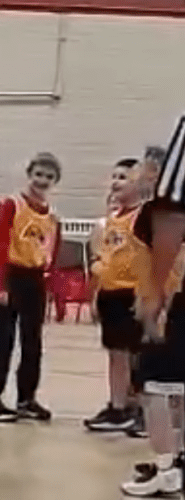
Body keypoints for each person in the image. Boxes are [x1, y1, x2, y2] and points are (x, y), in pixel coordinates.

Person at [121, 115, 185, 498]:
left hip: (174, 298)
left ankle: (165, 468)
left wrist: (155, 298)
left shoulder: (160, 211)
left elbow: (171, 227)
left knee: (154, 386)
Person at [0, 152, 62, 423]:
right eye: (38, 174)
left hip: (34, 278)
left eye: (49, 176)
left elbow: (52, 253)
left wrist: (52, 288)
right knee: (2, 340)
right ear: (29, 174)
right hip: (11, 274)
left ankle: (27, 397)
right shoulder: (10, 204)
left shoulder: (52, 216)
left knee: (32, 342)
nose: (42, 180)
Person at [84, 158, 146, 432]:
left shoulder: (145, 217)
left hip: (135, 293)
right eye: (115, 176)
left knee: (139, 356)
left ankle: (144, 409)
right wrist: (96, 295)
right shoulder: (110, 221)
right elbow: (103, 258)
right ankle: (117, 407)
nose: (116, 182)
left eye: (124, 177)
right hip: (111, 294)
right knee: (115, 355)